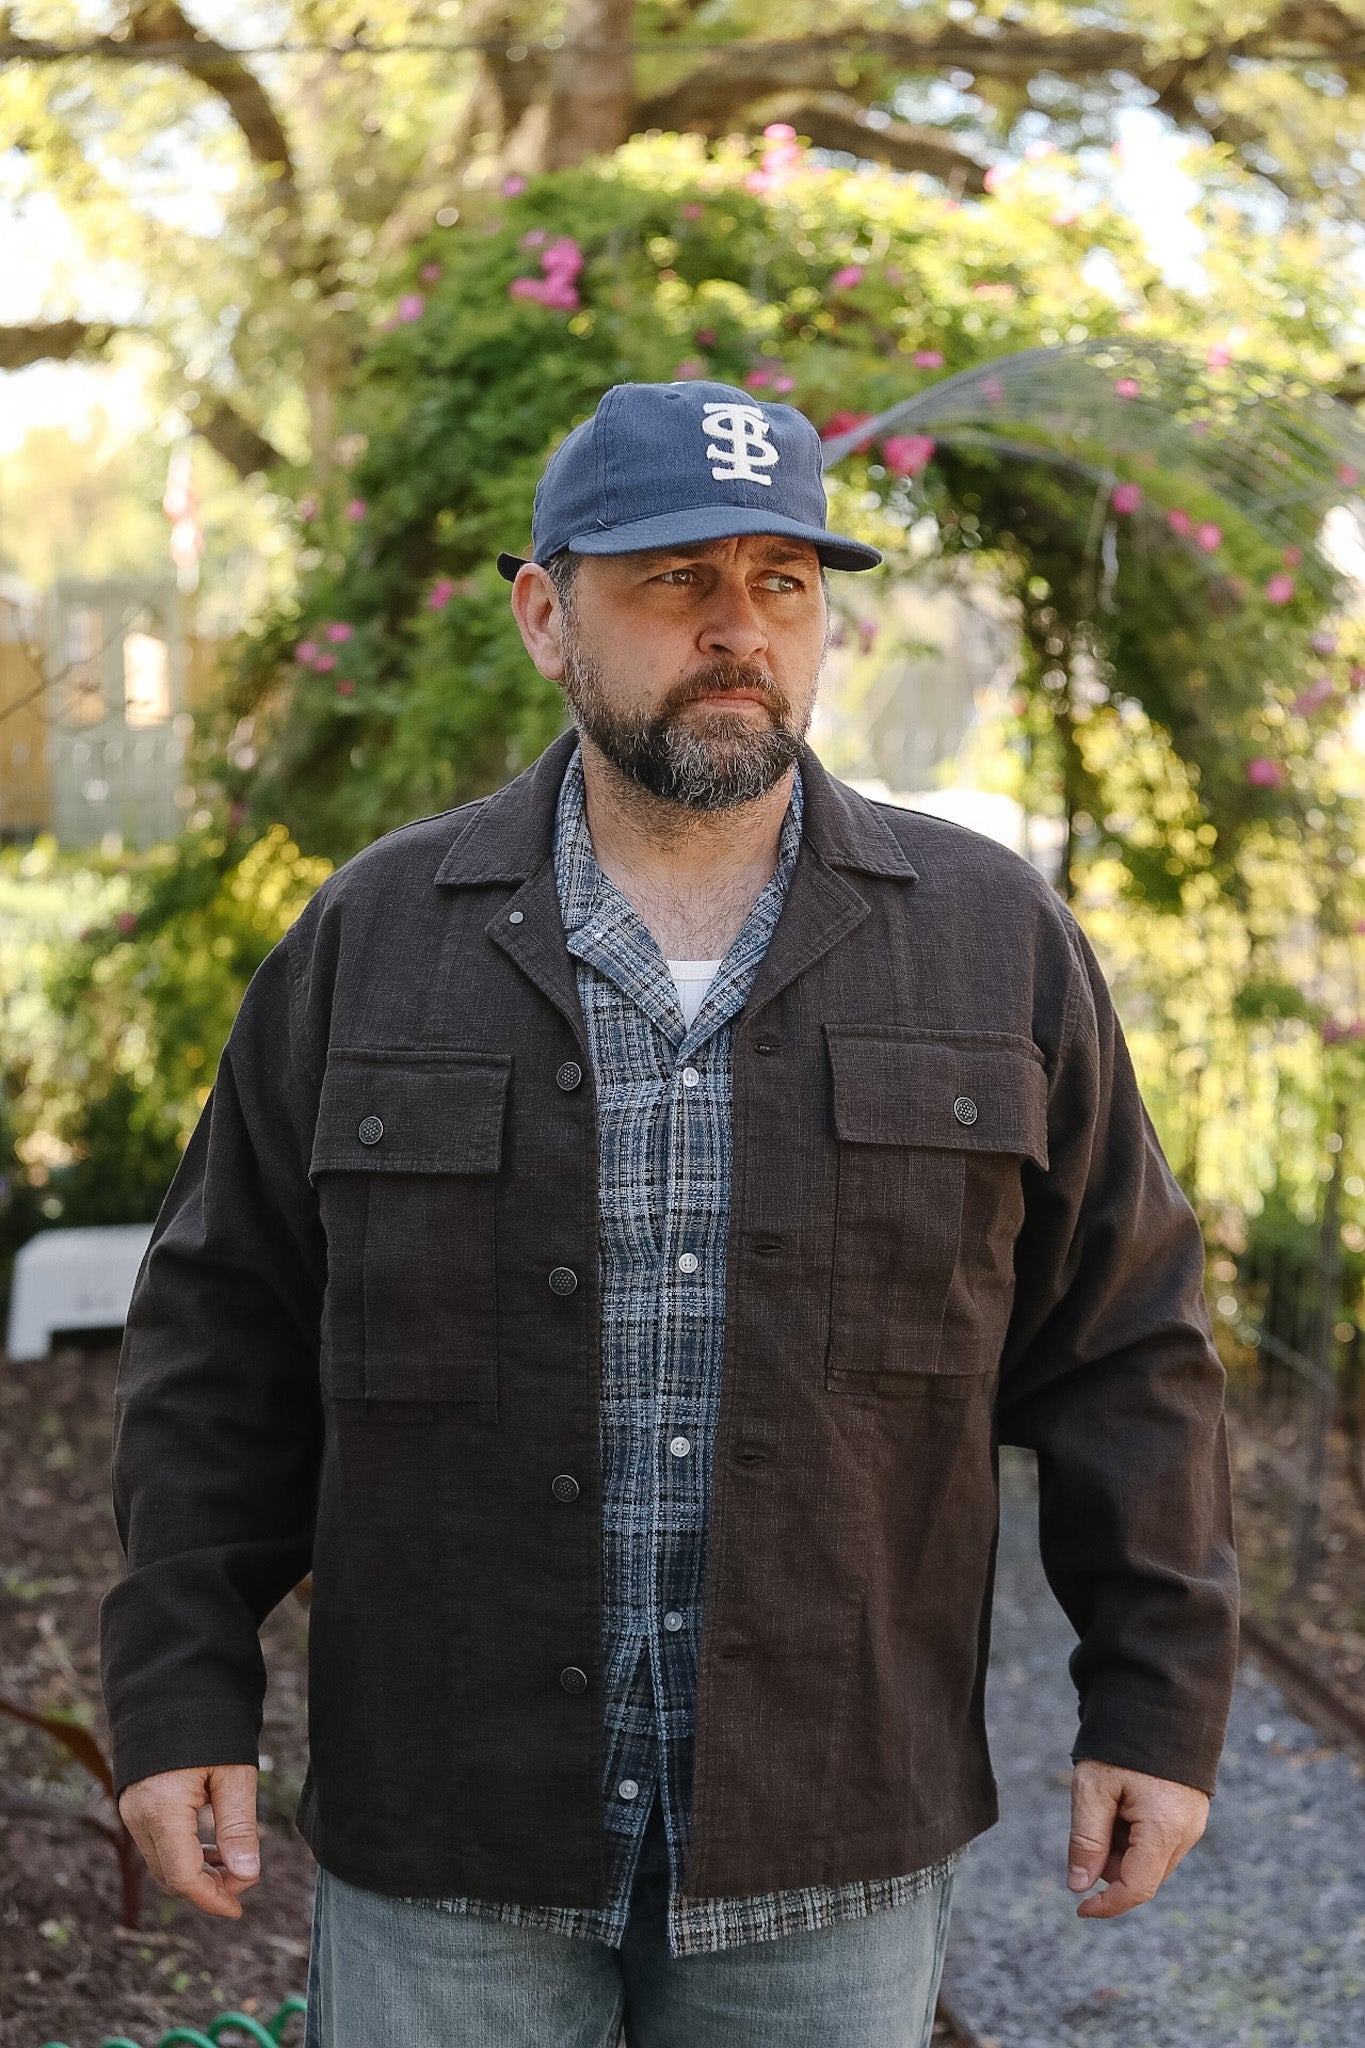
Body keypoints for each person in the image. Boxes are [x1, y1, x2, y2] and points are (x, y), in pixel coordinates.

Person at [103, 380, 1238, 2048]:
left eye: (782, 582)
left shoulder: (990, 944)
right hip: (453, 1843)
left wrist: (1154, 1696)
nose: (737, 629)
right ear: (544, 616)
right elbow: (222, 1342)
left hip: (828, 1841)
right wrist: (178, 1688)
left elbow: (1125, 1344)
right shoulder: (376, 939)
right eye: (673, 580)